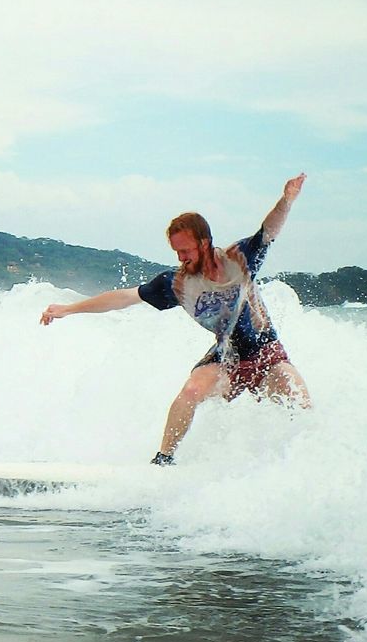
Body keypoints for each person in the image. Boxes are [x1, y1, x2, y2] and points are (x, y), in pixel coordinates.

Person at [39, 174, 311, 465]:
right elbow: (122, 298)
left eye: (185, 250)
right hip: (227, 358)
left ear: (204, 243)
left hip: (266, 353)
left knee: (301, 405)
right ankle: (163, 462)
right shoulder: (177, 284)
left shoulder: (239, 258)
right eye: (176, 252)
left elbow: (268, 230)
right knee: (191, 390)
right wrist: (69, 309)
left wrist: (286, 201)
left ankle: (303, 464)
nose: (181, 258)